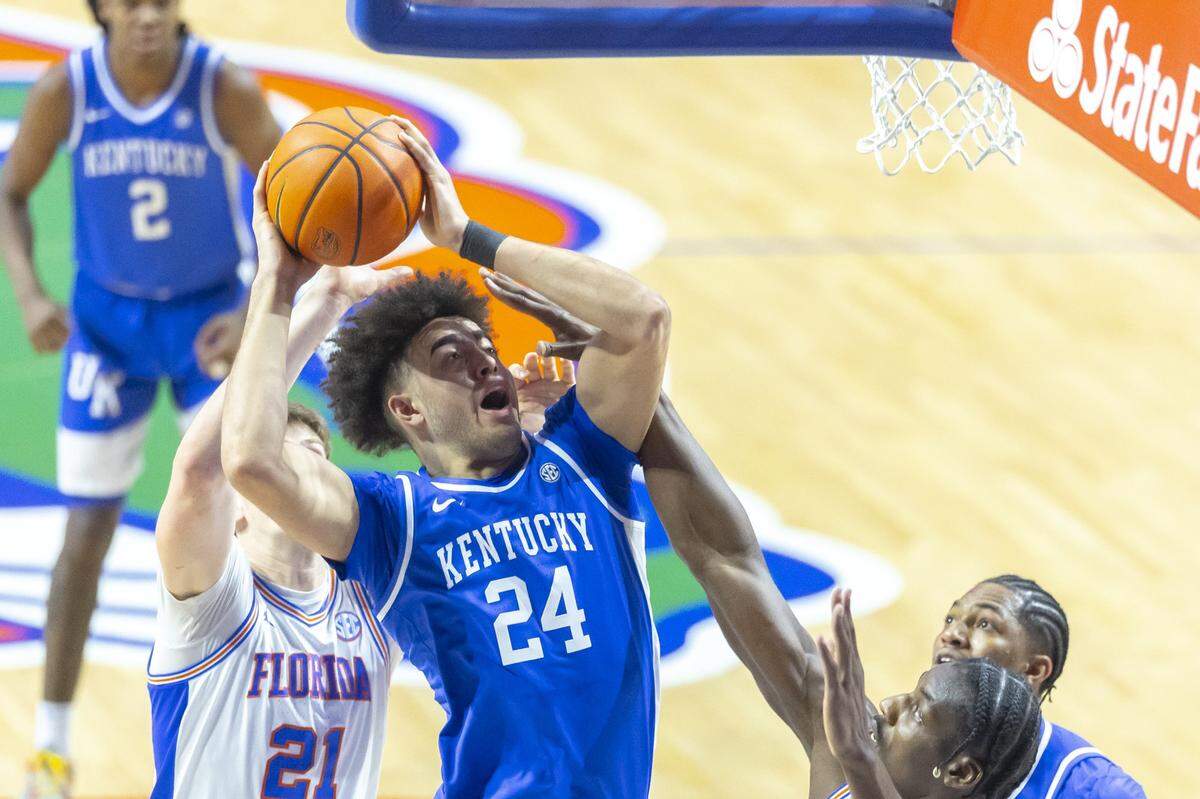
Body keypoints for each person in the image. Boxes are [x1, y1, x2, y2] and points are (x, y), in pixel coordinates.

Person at [490, 274, 1145, 799]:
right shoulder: (860, 737)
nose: (951, 635)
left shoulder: (1087, 786)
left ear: (1035, 673)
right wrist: (630, 381)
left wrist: (862, 760)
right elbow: (724, 556)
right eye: (953, 617)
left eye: (981, 625)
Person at [219, 113, 671, 798]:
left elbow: (643, 320)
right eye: (451, 357)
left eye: (484, 348)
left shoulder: (582, 455)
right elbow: (251, 459)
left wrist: (467, 238)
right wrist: (278, 286)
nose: (484, 362)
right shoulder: (393, 520)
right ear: (408, 410)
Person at [0, 1, 279, 792]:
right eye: (130, 0)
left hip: (205, 322)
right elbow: (9, 192)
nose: (148, 15)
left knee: (253, 526)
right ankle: (51, 745)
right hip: (107, 324)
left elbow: (300, 201)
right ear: (101, 9)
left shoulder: (224, 87)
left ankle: (256, 734)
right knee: (84, 532)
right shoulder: (68, 89)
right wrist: (29, 296)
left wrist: (251, 306)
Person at [149, 263, 405, 797]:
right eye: (274, 470)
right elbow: (202, 469)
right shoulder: (214, 607)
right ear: (235, 507)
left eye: (313, 462)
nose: (298, 482)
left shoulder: (375, 603)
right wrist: (320, 302)